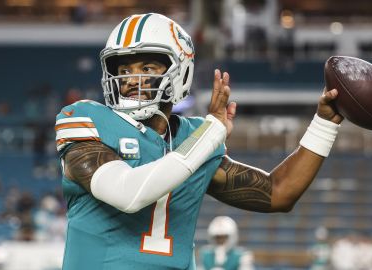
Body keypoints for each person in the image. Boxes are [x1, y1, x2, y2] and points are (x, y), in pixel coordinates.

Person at [55, 13, 343, 269]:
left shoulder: (192, 136)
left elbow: (279, 193)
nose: (131, 79)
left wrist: (325, 122)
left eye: (147, 67)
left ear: (180, 71)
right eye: (124, 69)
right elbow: (127, 193)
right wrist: (210, 133)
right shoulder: (85, 118)